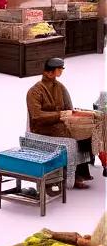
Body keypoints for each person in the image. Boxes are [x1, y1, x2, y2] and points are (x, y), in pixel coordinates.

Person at [25, 57, 93, 188]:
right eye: (59, 69)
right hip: (42, 130)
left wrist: (74, 117)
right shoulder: (34, 91)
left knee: (85, 133)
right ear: (49, 72)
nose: (61, 72)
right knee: (69, 135)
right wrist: (59, 115)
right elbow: (37, 116)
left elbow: (68, 107)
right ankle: (68, 175)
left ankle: (81, 171)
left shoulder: (60, 87)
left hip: (60, 125)